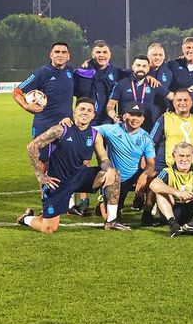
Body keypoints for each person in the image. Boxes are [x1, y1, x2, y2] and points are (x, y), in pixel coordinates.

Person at [16, 98, 126, 233]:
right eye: (82, 109)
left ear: (93, 115)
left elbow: (103, 158)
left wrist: (109, 169)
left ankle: (111, 221)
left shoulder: (95, 135)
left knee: (114, 174)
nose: (85, 112)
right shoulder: (60, 130)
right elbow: (32, 147)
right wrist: (40, 175)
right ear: (74, 112)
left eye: (89, 110)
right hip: (58, 183)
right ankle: (26, 218)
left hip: (80, 177)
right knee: (49, 228)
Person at [96, 102, 157, 215]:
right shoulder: (112, 129)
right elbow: (90, 131)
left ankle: (147, 214)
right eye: (131, 115)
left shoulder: (146, 138)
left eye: (138, 116)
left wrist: (143, 176)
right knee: (112, 214)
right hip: (114, 177)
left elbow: (151, 163)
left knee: (154, 176)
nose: (135, 119)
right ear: (124, 117)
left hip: (132, 178)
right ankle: (103, 200)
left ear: (143, 119)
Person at [148, 142, 193, 236]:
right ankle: (173, 225)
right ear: (174, 156)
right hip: (174, 211)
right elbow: (153, 184)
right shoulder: (167, 171)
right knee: (160, 192)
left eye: (188, 156)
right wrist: (177, 192)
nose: (184, 159)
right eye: (181, 156)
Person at [14, 41, 75, 139]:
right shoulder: (42, 72)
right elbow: (17, 91)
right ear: (51, 55)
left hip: (66, 126)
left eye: (64, 52)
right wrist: (26, 106)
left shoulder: (70, 71)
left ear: (68, 56)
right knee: (38, 150)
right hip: (44, 126)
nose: (60, 55)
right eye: (57, 52)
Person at [107, 54, 166, 131]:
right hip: (125, 127)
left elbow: (172, 96)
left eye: (144, 66)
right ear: (132, 67)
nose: (141, 68)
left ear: (148, 68)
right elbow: (110, 105)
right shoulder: (121, 84)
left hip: (148, 127)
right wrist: (114, 116)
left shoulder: (153, 84)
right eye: (138, 65)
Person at [150, 90, 193, 171]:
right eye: (179, 100)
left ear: (191, 102)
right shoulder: (164, 119)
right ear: (173, 103)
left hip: (189, 167)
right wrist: (151, 165)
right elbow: (150, 144)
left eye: (185, 100)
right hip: (165, 167)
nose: (182, 103)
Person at [74, 39, 121, 126]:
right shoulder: (81, 73)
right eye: (98, 52)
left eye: (105, 52)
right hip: (84, 121)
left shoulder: (117, 73)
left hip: (106, 122)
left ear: (110, 55)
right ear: (92, 54)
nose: (101, 55)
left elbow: (137, 73)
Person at [164, 36, 193, 101]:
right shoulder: (172, 65)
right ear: (183, 49)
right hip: (177, 105)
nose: (191, 51)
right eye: (188, 47)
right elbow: (157, 70)